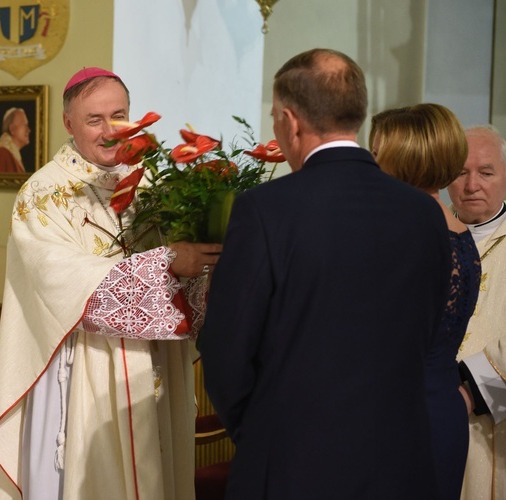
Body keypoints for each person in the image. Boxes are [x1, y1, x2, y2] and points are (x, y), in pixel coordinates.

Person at [199, 48, 452, 498]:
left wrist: (261, 432)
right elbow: (427, 332)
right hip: (401, 462)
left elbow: (226, 350)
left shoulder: (264, 210)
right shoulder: (423, 213)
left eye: (275, 116)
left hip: (294, 466)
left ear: (292, 122)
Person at [0, 67, 220, 499]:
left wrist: (202, 266)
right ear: (68, 123)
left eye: (120, 115)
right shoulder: (42, 194)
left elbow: (187, 283)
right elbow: (63, 281)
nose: (111, 131)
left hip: (153, 370)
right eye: (95, 120)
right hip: (81, 374)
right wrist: (171, 261)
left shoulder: (153, 184)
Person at [370, 103, 480, 499]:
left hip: (394, 421)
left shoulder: (401, 232)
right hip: (440, 410)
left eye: (378, 155)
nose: (371, 164)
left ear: (407, 158)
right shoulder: (457, 231)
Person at [447, 125, 506, 499]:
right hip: (426, 416)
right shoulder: (425, 233)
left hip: (493, 426)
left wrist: (471, 390)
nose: (471, 185)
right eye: (460, 172)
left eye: (486, 172)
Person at [0, 107, 30, 173]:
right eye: (24, 125)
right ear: (12, 129)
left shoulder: (12, 155)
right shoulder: (2, 155)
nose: (28, 130)